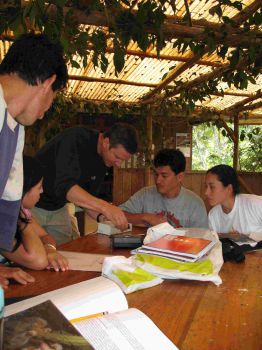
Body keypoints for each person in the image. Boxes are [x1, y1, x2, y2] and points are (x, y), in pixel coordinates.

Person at [0, 32, 68, 287]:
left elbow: (7, 205)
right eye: (53, 99)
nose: (44, 112)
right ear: (48, 83)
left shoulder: (15, 129)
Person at [31, 123, 138, 245]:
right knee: (35, 253)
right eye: (117, 157)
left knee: (68, 250)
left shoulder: (104, 160)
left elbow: (86, 198)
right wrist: (106, 207)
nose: (118, 164)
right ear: (106, 142)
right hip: (31, 206)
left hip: (57, 206)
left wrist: (102, 218)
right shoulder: (74, 139)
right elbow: (65, 187)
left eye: (123, 161)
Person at [1, 156, 69, 272]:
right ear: (23, 190)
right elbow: (38, 261)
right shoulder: (4, 221)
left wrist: (50, 249)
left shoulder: (21, 212)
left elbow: (45, 236)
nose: (42, 191)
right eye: (39, 187)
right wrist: (21, 217)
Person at [119, 148, 208, 228]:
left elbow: (202, 239)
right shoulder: (145, 194)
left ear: (180, 177)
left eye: (164, 176)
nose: (158, 180)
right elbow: (118, 215)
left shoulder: (195, 204)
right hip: (150, 246)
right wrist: (145, 217)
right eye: (156, 174)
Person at [205, 164, 262, 241]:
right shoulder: (213, 215)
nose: (206, 192)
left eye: (212, 187)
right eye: (206, 186)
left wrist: (246, 236)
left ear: (229, 188)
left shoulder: (256, 204)